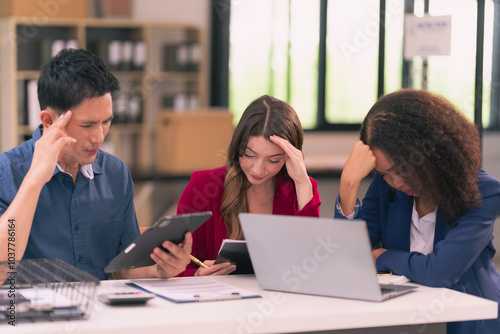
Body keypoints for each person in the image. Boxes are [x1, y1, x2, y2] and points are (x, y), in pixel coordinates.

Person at [0, 48, 192, 280]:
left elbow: (124, 267)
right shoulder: (7, 172)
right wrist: (34, 180)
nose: (99, 137)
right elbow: (3, 267)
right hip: (33, 314)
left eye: (106, 122)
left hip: (101, 312)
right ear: (49, 121)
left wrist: (159, 269)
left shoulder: (115, 173)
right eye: (88, 125)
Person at [336, 89, 500, 333]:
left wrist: (382, 255)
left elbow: (440, 273)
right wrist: (348, 184)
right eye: (385, 174)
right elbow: (347, 257)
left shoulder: (483, 192)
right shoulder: (386, 185)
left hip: (470, 322)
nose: (397, 183)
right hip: (405, 319)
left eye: (402, 170)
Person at [176, 95, 322, 276]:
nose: (258, 169)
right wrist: (197, 275)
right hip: (216, 300)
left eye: (273, 160)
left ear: (289, 157)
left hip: (280, 300)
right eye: (249, 155)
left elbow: (311, 264)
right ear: (237, 147)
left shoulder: (301, 189)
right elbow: (176, 266)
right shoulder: (203, 186)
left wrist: (302, 183)